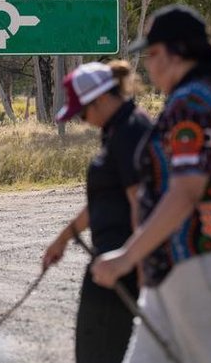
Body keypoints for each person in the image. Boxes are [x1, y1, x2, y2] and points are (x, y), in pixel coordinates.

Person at [90, 4, 211, 363]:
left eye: (154, 53)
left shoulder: (192, 104)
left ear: (179, 52)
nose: (149, 64)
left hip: (204, 264)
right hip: (182, 266)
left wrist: (128, 257)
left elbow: (187, 192)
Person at [42, 61, 151, 363]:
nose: (83, 120)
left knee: (98, 355)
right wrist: (62, 239)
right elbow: (105, 200)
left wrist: (141, 271)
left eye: (83, 112)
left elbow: (140, 203)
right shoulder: (117, 129)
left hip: (119, 268)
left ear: (101, 98)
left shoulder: (130, 131)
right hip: (112, 263)